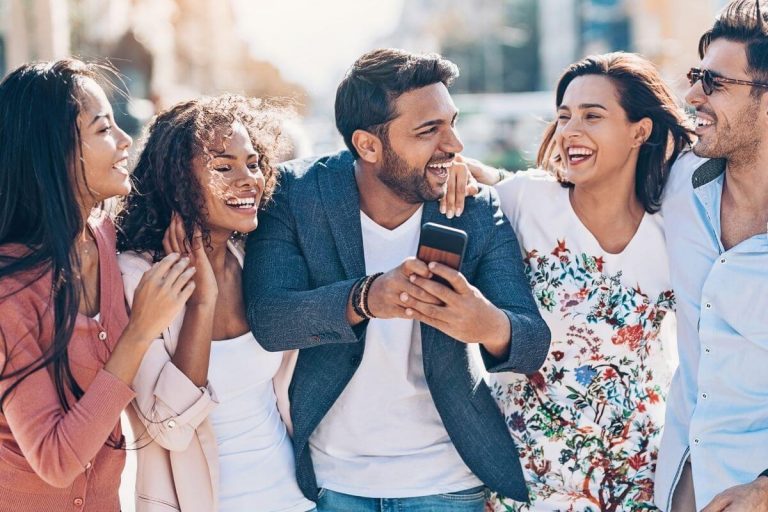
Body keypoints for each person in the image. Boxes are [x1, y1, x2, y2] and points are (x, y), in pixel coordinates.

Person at [242, 48, 551, 512]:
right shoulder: (296, 196)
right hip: (331, 483)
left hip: (448, 481)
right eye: (429, 130)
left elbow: (532, 341)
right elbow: (270, 319)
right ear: (368, 145)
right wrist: (367, 298)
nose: (454, 145)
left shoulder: (475, 208)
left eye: (452, 122)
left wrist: (485, 324)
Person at [462, 52, 692, 510]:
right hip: (523, 480)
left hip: (634, 480)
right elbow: (461, 176)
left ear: (639, 131)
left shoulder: (676, 232)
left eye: (592, 115)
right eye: (564, 116)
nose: (570, 130)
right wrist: (451, 169)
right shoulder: (525, 201)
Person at [0, 59, 194, 511]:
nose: (126, 140)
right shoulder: (10, 292)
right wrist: (140, 331)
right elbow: (56, 459)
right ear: (54, 151)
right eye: (104, 128)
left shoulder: (104, 237)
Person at [116, 95, 315, 512]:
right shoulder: (137, 278)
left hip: (296, 500)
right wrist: (201, 303)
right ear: (178, 182)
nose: (249, 180)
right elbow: (168, 429)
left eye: (253, 162)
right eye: (223, 167)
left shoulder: (253, 259)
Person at [652, 1, 768, 510]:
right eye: (696, 77)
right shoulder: (678, 183)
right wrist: (465, 175)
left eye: (715, 83)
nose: (692, 95)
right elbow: (575, 195)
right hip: (681, 481)